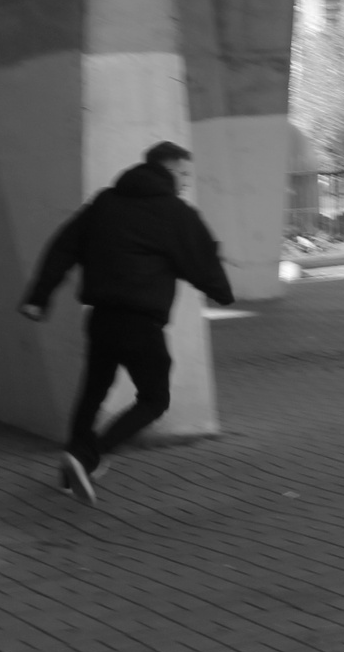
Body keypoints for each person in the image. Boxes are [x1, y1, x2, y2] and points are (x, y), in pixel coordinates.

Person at [20, 141, 234, 505]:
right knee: (154, 399)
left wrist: (38, 296)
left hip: (101, 318)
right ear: (167, 170)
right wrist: (222, 292)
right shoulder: (175, 212)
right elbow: (201, 258)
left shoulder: (105, 203)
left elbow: (63, 246)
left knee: (92, 393)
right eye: (183, 174)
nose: (186, 182)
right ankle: (89, 455)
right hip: (141, 323)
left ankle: (70, 471)